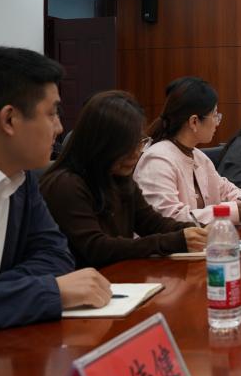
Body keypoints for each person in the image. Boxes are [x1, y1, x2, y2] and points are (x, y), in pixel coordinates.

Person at [0, 47, 111, 333]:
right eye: (52, 113)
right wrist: (42, 292)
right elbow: (52, 282)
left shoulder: (22, 178)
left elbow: (56, 256)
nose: (59, 128)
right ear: (9, 120)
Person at [40, 91, 207, 268]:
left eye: (139, 142)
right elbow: (97, 248)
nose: (136, 153)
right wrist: (176, 241)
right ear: (102, 144)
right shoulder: (65, 184)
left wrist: (199, 231)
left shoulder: (118, 176)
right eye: (127, 146)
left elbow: (152, 223)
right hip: (86, 279)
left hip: (118, 278)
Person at [134, 77, 241, 225]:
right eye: (215, 115)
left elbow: (227, 191)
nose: (217, 122)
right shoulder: (157, 160)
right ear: (194, 121)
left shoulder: (198, 156)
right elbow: (170, 218)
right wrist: (240, 210)